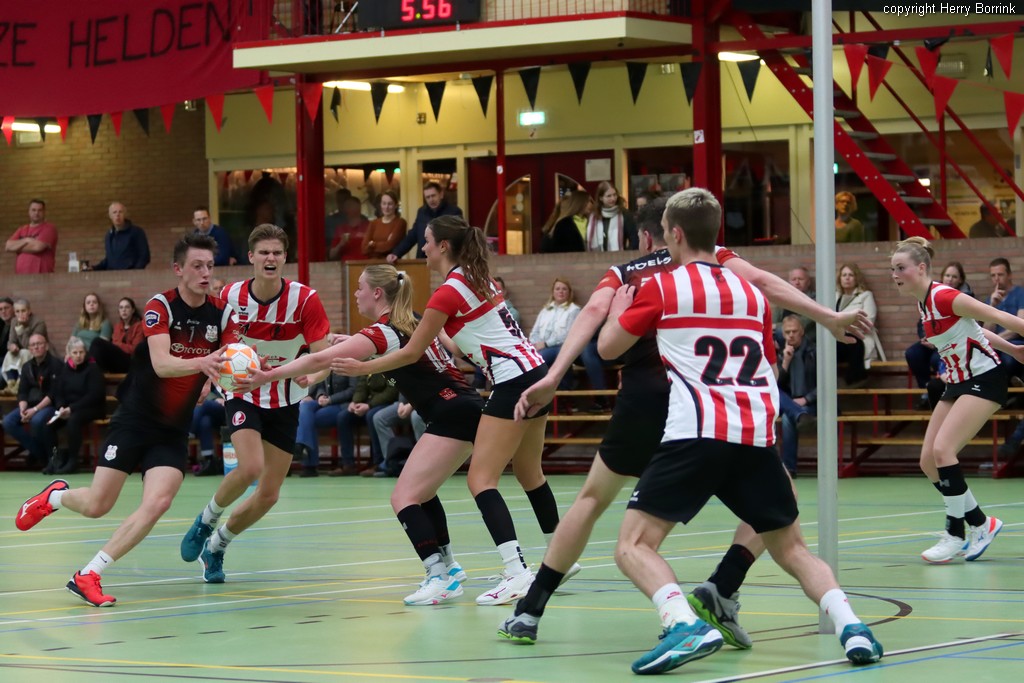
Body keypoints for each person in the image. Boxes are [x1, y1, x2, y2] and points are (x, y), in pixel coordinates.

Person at [499, 196, 871, 647]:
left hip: (650, 400)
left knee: (594, 501)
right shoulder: (727, 265)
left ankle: (531, 608)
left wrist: (554, 376)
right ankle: (724, 586)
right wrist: (827, 316)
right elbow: (763, 282)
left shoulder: (629, 274)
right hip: (723, 406)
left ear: (648, 235)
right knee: (780, 503)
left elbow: (596, 318)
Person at [596, 187, 882, 674]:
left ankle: (682, 622)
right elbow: (766, 363)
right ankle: (853, 626)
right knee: (792, 548)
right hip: (754, 434)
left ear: (674, 234)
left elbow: (607, 349)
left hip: (696, 432)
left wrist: (619, 310)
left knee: (633, 546)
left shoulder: (661, 287)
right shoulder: (753, 295)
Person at [334, 217, 572, 605]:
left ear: (443, 246)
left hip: (511, 380)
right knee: (529, 471)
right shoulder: (478, 279)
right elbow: (459, 347)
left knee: (481, 479)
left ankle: (516, 573)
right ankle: (560, 556)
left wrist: (362, 368)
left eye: (426, 242)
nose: (422, 248)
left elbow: (411, 352)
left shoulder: (447, 291)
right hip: (535, 372)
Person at [14, 233, 234, 607]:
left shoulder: (222, 313)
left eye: (209, 266)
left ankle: (89, 574)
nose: (205, 273)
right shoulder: (161, 306)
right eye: (197, 266)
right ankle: (56, 497)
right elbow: (162, 363)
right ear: (178, 269)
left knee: (158, 502)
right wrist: (202, 365)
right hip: (135, 419)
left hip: (172, 428)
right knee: (97, 505)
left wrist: (222, 379)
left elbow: (228, 362)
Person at [245, 264, 483, 605]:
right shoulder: (412, 320)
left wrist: (268, 376)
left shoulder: (383, 332)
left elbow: (319, 360)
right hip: (462, 408)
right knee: (423, 491)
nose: (356, 294)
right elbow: (373, 348)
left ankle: (438, 576)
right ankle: (449, 566)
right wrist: (347, 346)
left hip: (451, 412)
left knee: (404, 497)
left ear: (377, 293)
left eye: (360, 287)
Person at [180, 223, 332, 584]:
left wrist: (312, 377)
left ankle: (217, 546)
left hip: (286, 397)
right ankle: (206, 521)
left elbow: (324, 357)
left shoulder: (305, 300)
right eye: (264, 252)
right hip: (242, 390)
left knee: (269, 495)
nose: (270, 258)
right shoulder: (229, 297)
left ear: (285, 258)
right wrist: (203, 379)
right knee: (249, 467)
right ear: (251, 257)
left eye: (277, 252)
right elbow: (209, 346)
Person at [891, 237, 1020, 563]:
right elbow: (973, 330)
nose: (895, 275)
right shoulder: (923, 303)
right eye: (893, 269)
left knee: (943, 450)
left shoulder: (945, 296)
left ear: (921, 268)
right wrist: (1013, 349)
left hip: (985, 379)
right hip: (958, 381)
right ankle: (981, 523)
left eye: (901, 268)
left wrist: (1013, 347)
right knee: (928, 461)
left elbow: (1002, 318)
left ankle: (955, 533)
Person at [905, 262, 973, 401]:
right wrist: (925, 337)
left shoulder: (965, 298)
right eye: (947, 275)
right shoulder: (932, 294)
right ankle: (925, 388)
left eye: (954, 276)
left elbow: (961, 327)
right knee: (912, 353)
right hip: (932, 339)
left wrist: (937, 341)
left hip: (951, 343)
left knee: (936, 359)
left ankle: (945, 391)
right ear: (942, 277)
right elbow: (922, 321)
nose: (950, 279)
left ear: (960, 280)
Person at [44, 336, 106, 475]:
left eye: (81, 352)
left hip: (92, 408)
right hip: (68, 409)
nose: (78, 356)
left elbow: (94, 395)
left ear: (85, 352)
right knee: (48, 424)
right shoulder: (66, 369)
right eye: (75, 353)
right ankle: (54, 460)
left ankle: (73, 461)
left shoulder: (93, 368)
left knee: (73, 420)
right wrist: (61, 407)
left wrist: (71, 408)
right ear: (69, 354)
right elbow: (59, 392)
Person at [2, 333, 61, 469]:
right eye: (33, 345)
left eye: (39, 344)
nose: (36, 347)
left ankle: (44, 457)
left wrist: (35, 410)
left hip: (49, 406)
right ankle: (40, 454)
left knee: (37, 420)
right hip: (29, 405)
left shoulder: (56, 365)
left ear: (46, 346)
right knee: (8, 422)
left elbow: (53, 394)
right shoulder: (26, 366)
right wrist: (23, 408)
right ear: (29, 349)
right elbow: (22, 392)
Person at [295, 371, 356, 477]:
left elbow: (352, 390)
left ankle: (308, 461)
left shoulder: (350, 365)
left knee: (309, 419)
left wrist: (330, 399)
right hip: (325, 402)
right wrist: (321, 395)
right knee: (305, 406)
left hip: (343, 404)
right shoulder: (326, 366)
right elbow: (321, 385)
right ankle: (300, 447)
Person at [778, 315, 817, 477]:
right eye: (787, 332)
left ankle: (789, 468)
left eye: (794, 331)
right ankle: (798, 413)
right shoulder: (781, 353)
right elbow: (775, 386)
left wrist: (806, 399)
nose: (791, 335)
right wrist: (785, 362)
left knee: (788, 418)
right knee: (777, 395)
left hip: (813, 403)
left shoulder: (814, 352)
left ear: (802, 332)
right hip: (790, 403)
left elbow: (826, 384)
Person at [386, 182, 463, 262]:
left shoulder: (454, 212)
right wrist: (396, 253)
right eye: (427, 197)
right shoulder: (422, 212)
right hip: (423, 260)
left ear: (441, 195)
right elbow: (412, 237)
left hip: (445, 261)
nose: (431, 200)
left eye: (433, 196)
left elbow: (458, 239)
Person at [834, 263, 883, 386]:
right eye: (844, 275)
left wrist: (842, 323)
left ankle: (855, 380)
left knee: (854, 344)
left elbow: (868, 320)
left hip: (859, 338)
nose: (847, 278)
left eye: (851, 275)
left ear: (856, 278)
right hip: (838, 338)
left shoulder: (865, 296)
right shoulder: (835, 296)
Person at [529, 278, 581, 389]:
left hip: (562, 347)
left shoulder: (574, 310)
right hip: (543, 348)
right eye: (557, 289)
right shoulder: (545, 310)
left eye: (564, 289)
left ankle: (562, 389)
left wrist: (545, 344)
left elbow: (567, 335)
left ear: (569, 292)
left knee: (541, 359)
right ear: (553, 292)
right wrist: (536, 344)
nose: (560, 291)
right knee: (533, 359)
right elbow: (534, 331)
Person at [981, 257, 1024, 381]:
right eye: (993, 275)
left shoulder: (1020, 294)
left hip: (1016, 341)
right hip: (997, 344)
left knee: (1008, 358)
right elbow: (987, 331)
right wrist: (992, 306)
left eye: (1000, 274)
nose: (996, 278)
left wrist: (996, 341)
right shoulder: (990, 300)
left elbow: (1019, 326)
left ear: (1009, 275)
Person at [90, 297, 144, 374]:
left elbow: (135, 350)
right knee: (97, 345)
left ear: (133, 310)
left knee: (97, 342)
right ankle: (93, 372)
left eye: (127, 307)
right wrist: (120, 346)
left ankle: (92, 372)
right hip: (116, 362)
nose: (124, 310)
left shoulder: (139, 326)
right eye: (121, 308)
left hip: (131, 362)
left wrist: (118, 345)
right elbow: (115, 345)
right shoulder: (117, 327)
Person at [4, 298, 48, 393]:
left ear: (29, 311)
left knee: (25, 352)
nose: (20, 314)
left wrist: (23, 328)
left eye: (23, 311)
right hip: (21, 352)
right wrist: (12, 346)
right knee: (9, 354)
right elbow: (11, 341)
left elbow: (31, 345)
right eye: (17, 311)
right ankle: (10, 384)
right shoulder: (14, 321)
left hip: (37, 352)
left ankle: (19, 384)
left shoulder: (38, 322)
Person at [91, 202, 151, 271]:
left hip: (131, 275)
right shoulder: (109, 235)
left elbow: (144, 256)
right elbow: (110, 260)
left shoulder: (136, 232)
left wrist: (135, 272)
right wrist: (94, 268)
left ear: (125, 214)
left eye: (120, 212)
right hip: (112, 275)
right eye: (114, 212)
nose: (117, 215)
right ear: (110, 216)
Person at [5, 198, 58, 274]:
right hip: (21, 277)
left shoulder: (49, 228)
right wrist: (26, 240)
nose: (36, 213)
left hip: (42, 276)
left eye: (40, 210)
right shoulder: (22, 229)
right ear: (29, 212)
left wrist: (17, 248)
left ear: (44, 212)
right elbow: (8, 246)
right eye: (33, 210)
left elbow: (37, 247)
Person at [191, 381, 228, 477]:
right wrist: (215, 398)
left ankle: (190, 430)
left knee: (204, 405)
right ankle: (209, 459)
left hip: (229, 407)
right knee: (205, 421)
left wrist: (222, 399)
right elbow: (207, 391)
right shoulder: (209, 376)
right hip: (215, 411)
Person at [586, 181, 637, 251]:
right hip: (596, 256)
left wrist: (625, 254)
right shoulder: (593, 217)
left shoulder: (625, 214)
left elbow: (634, 240)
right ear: (601, 198)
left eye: (614, 195)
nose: (613, 199)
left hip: (620, 256)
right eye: (609, 196)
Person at [772, 267, 816, 341]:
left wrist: (777, 326)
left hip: (807, 341)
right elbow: (773, 324)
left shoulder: (814, 300)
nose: (797, 282)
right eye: (794, 279)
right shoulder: (782, 299)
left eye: (800, 279)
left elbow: (802, 323)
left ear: (808, 282)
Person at [362, 190, 407, 258]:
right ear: (380, 205)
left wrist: (372, 244)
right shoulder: (374, 223)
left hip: (391, 262)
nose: (386, 207)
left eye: (390, 204)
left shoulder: (400, 222)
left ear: (396, 205)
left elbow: (390, 246)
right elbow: (364, 248)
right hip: (372, 262)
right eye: (384, 203)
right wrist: (383, 243)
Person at [329, 196, 371, 261]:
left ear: (359, 207)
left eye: (350, 205)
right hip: (347, 265)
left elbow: (377, 249)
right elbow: (331, 255)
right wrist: (340, 244)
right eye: (346, 206)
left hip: (366, 264)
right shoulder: (340, 229)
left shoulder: (369, 226)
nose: (347, 208)